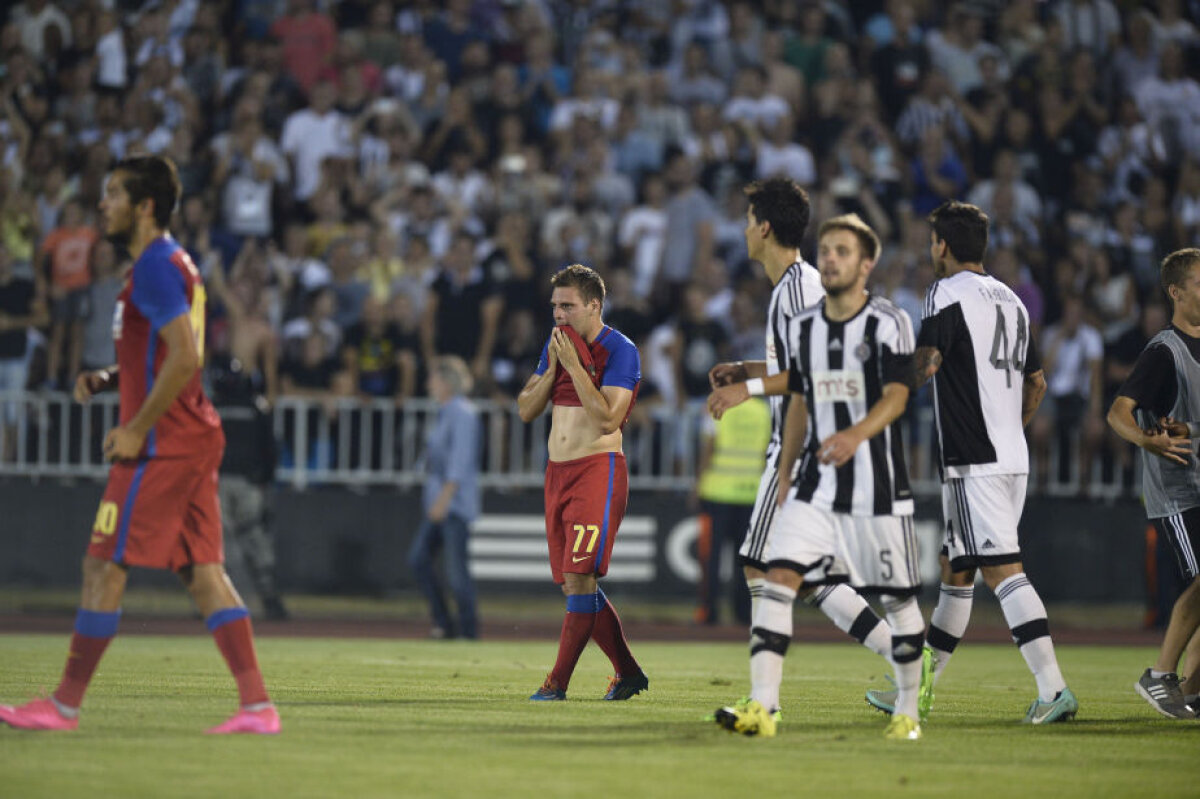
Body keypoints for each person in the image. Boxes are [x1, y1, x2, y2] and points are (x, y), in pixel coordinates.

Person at [0, 156, 279, 735]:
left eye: (113, 194)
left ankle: (64, 706)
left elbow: (186, 357)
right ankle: (257, 707)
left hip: (163, 444)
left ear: (144, 206)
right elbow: (166, 351)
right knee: (202, 572)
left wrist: (136, 427)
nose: (103, 205)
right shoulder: (173, 263)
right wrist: (111, 377)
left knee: (103, 564)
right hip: (191, 436)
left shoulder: (154, 266)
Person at [712, 214, 925, 740]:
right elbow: (801, 396)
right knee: (776, 574)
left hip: (875, 479)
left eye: (842, 251)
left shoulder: (889, 321)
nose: (829, 259)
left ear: (866, 264)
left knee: (898, 597)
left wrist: (855, 434)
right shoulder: (808, 324)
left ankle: (909, 705)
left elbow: (899, 395)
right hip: (814, 476)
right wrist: (785, 470)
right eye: (826, 249)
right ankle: (764, 707)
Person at [870, 201, 1077, 725]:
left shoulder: (945, 292)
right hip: (1010, 455)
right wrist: (1011, 430)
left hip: (974, 459)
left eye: (931, 240)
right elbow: (1037, 383)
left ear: (942, 244)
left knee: (1002, 570)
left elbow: (927, 363)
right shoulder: (1012, 300)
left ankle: (1053, 689)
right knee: (957, 570)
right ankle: (914, 688)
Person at [517, 263, 648, 701]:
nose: (559, 314)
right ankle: (628, 673)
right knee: (575, 584)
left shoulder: (621, 350)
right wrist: (556, 366)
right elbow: (526, 408)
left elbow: (609, 418)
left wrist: (574, 366)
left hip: (597, 470)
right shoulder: (556, 344)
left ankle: (556, 684)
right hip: (557, 474)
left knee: (578, 575)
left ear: (594, 306)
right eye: (555, 306)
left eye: (568, 306)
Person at [1107, 247, 1200, 719]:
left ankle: (1191, 690)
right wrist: (1148, 441)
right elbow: (1117, 413)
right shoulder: (1164, 352)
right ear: (1176, 292)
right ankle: (1160, 675)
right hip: (1180, 493)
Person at [407, 355, 481, 640]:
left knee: (456, 572)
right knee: (419, 559)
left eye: (434, 378)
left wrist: (444, 498)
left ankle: (468, 631)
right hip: (441, 501)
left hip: (454, 504)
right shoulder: (446, 411)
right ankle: (445, 623)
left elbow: (460, 460)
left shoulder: (462, 413)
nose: (429, 384)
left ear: (447, 382)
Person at [693, 395, 771, 626]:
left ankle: (709, 611)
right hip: (751, 492)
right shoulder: (763, 410)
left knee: (711, 556)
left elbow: (709, 447)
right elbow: (768, 452)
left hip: (717, 492)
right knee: (746, 558)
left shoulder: (716, 405)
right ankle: (743, 613)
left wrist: (698, 483)